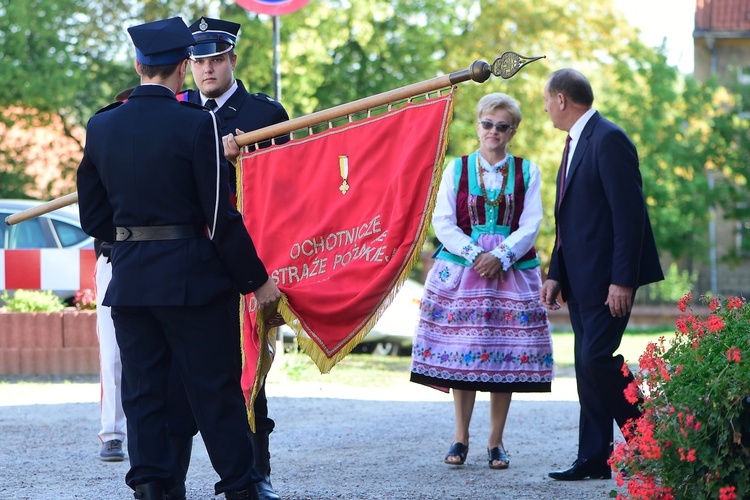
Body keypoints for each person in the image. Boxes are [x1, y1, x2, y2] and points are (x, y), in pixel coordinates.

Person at [76, 16, 281, 500]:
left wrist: (132, 240)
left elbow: (92, 215)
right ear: (183, 69)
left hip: (129, 282)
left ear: (138, 65)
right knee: (215, 392)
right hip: (192, 281)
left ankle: (152, 487)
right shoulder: (196, 124)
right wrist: (256, 280)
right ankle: (241, 486)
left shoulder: (102, 124)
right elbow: (220, 216)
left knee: (144, 395)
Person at [161, 16, 290, 500]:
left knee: (247, 370)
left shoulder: (264, 113)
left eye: (216, 59)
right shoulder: (173, 111)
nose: (207, 70)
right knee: (178, 373)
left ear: (233, 60)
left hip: (245, 261)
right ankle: (172, 479)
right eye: (198, 61)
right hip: (187, 260)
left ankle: (256, 474)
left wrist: (246, 164)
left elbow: (288, 190)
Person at [410, 93, 554, 470]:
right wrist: (477, 254)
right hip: (463, 270)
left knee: (503, 355)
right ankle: (460, 436)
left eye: (502, 126)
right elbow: (442, 221)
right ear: (477, 126)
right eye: (487, 124)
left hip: (510, 272)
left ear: (513, 131)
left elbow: (531, 222)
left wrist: (501, 255)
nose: (494, 131)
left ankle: (496, 441)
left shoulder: (528, 171)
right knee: (464, 353)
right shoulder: (455, 169)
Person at [540, 68, 664, 481]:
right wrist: (555, 273)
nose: (544, 108)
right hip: (579, 280)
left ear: (561, 100)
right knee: (585, 365)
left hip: (608, 281)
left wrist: (622, 279)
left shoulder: (609, 138)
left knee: (596, 361)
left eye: (546, 100)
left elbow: (629, 217)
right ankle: (594, 459)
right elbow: (569, 220)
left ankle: (653, 439)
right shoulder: (573, 142)